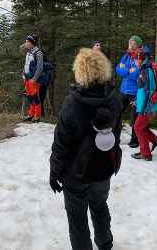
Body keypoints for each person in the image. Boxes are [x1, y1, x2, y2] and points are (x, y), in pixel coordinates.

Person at [49, 48, 123, 250]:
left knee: (77, 218)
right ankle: (105, 243)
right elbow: (116, 134)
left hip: (76, 173)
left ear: (80, 70)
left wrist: (54, 171)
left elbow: (61, 143)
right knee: (100, 206)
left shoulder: (72, 103)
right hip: (103, 167)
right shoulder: (114, 99)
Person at [131, 44, 157, 161]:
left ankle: (146, 154)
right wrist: (137, 101)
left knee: (138, 127)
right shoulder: (144, 68)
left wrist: (143, 107)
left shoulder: (146, 70)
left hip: (147, 106)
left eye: (135, 59)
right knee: (141, 126)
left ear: (140, 58)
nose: (134, 62)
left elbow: (149, 91)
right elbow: (142, 90)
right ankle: (154, 140)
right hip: (144, 104)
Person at [116, 35, 143, 148]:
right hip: (123, 90)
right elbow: (118, 69)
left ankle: (135, 140)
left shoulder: (140, 57)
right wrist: (128, 70)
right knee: (116, 114)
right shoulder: (126, 56)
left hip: (135, 92)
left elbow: (137, 74)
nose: (130, 44)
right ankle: (115, 137)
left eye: (133, 42)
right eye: (129, 42)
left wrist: (126, 71)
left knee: (135, 117)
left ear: (137, 45)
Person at [22, 34, 48, 122]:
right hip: (27, 78)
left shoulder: (38, 53)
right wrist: (23, 73)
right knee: (30, 97)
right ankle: (31, 114)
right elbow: (26, 64)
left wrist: (34, 79)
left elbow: (40, 68)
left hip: (33, 79)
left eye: (27, 42)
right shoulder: (28, 52)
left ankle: (37, 116)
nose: (25, 43)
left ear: (32, 43)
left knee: (35, 97)